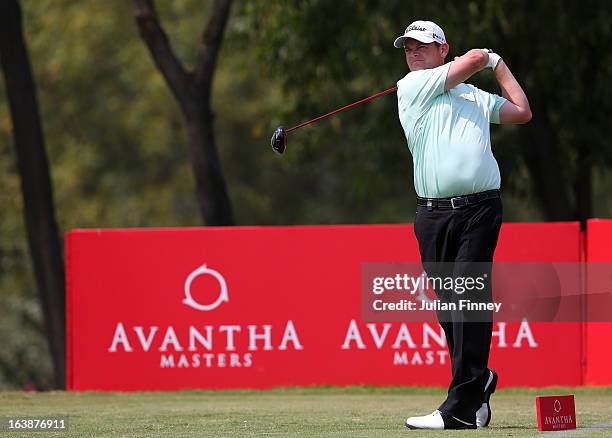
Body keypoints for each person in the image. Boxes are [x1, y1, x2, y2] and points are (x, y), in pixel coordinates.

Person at [393, 20, 531, 430]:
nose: (414, 53)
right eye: (408, 48)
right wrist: (484, 57)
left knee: (468, 296)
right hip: (431, 215)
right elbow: (473, 59)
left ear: (442, 50)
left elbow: (522, 112)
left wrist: (500, 64)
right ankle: (479, 380)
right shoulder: (411, 87)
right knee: (450, 307)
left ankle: (461, 406)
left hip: (480, 210)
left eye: (422, 46)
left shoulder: (473, 95)